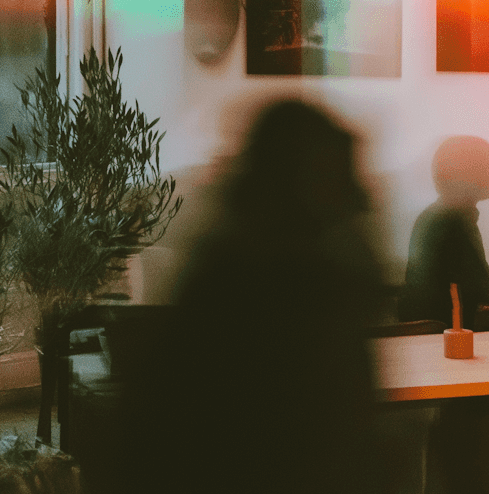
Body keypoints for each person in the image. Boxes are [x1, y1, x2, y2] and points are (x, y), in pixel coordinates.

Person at [101, 99, 386, 494]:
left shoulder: (228, 269)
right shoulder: (266, 286)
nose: (361, 195)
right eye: (334, 177)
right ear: (297, 183)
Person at [398, 135, 489, 329]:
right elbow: (486, 290)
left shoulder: (437, 213)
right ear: (469, 172)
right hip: (443, 334)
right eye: (488, 167)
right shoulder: (456, 219)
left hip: (431, 330)